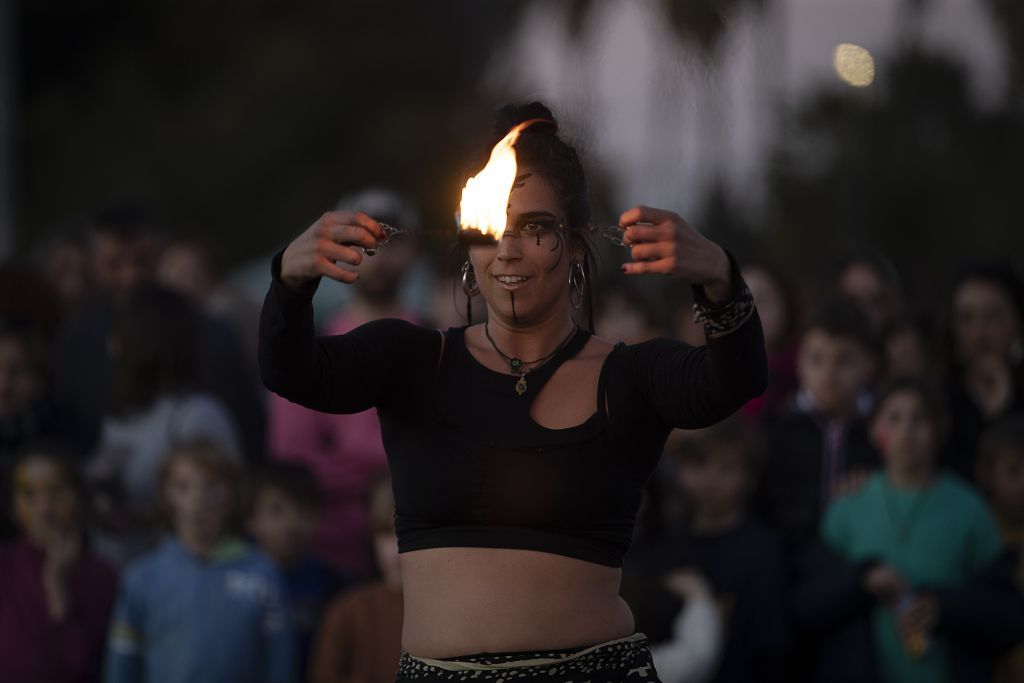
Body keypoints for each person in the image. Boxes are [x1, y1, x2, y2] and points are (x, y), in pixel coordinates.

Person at [259, 101, 766, 682]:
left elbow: (734, 381)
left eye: (534, 228)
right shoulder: (412, 359)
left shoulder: (630, 375)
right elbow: (292, 370)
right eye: (489, 230)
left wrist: (721, 279)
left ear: (575, 245)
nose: (507, 250)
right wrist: (290, 284)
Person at [266, 189, 420, 578]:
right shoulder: (314, 347)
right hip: (336, 556)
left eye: (392, 242)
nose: (380, 257)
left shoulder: (437, 339)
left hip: (419, 551)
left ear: (414, 250)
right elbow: (293, 455)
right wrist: (382, 474)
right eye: (365, 243)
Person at [819, 377, 1003, 683]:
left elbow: (1002, 609)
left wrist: (945, 607)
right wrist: (861, 580)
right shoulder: (846, 508)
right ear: (874, 429)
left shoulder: (970, 508)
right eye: (893, 418)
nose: (906, 431)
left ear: (940, 429)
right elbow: (816, 603)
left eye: (920, 419)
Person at [104, 439, 294, 683]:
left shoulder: (263, 574)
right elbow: (122, 663)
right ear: (166, 496)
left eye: (212, 486)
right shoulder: (141, 577)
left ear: (232, 495)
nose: (198, 499)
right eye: (183, 487)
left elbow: (280, 664)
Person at [87, 284, 241, 566]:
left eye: (122, 330)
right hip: (118, 572)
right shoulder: (121, 414)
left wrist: (142, 518)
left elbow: (228, 504)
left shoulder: (196, 416)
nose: (110, 342)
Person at [758, 297, 882, 553]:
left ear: (869, 365)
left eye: (844, 360)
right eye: (816, 359)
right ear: (799, 362)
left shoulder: (881, 430)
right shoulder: (778, 430)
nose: (828, 373)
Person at [0, 443, 118, 683]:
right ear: (13, 508)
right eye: (29, 495)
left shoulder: (101, 577)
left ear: (79, 499)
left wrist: (57, 585)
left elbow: (79, 666)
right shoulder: (5, 567)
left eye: (56, 491)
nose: (44, 508)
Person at [246, 460, 342, 681]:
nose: (292, 523)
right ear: (250, 519)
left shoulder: (335, 586)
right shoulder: (231, 583)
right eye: (276, 510)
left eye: (304, 510)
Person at [309, 475, 405, 683]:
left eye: (405, 534)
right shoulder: (347, 611)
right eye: (386, 533)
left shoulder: (447, 612)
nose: (396, 549)